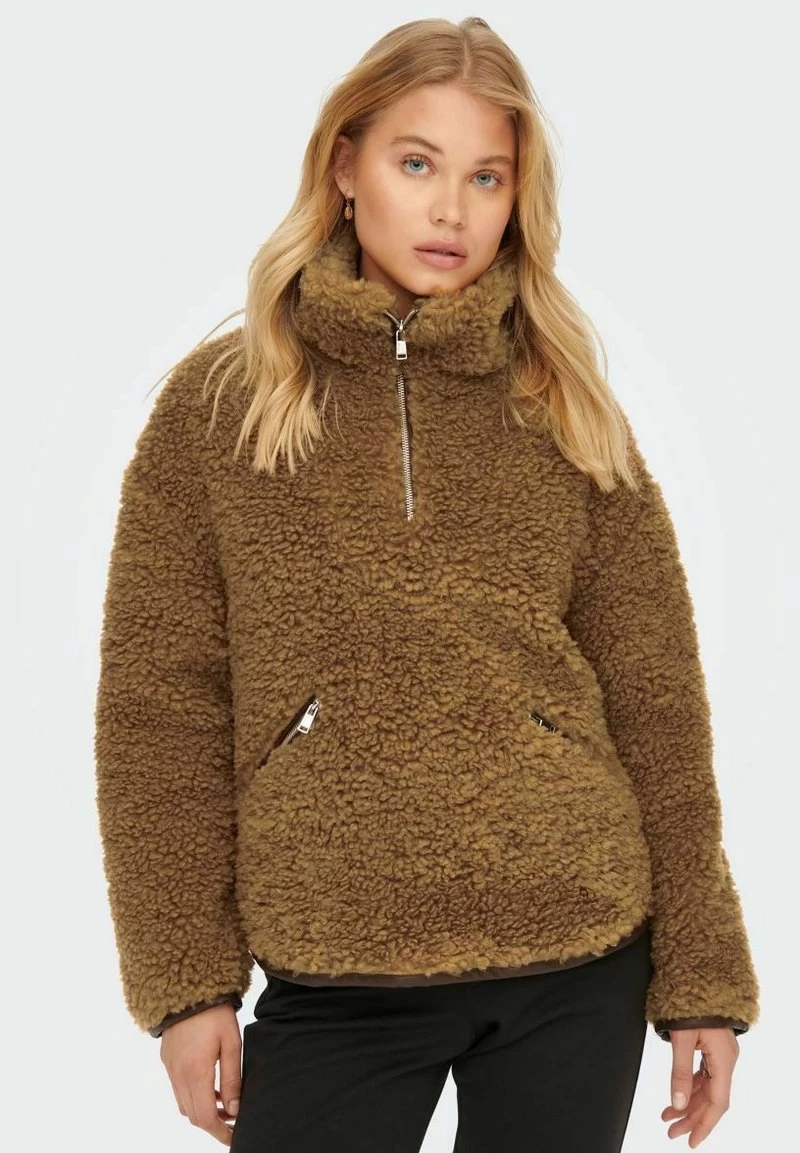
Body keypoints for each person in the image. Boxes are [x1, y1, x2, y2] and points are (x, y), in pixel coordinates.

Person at [93, 15, 759, 1153]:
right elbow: (158, 708)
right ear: (345, 167)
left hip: (575, 951)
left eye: (486, 176)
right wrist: (187, 980)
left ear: (516, 198)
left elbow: (656, 697)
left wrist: (701, 973)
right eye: (418, 163)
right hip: (334, 957)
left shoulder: (561, 399)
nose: (451, 209)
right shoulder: (221, 407)